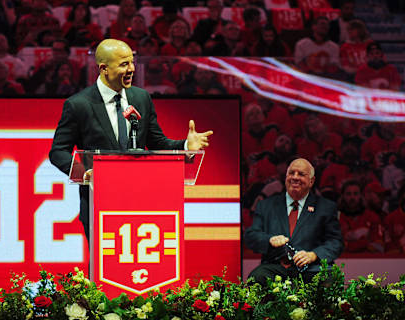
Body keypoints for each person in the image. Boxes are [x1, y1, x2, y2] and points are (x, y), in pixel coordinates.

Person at [49, 39, 213, 240]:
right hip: (99, 201)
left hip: (140, 200)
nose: (132, 69)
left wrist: (187, 146)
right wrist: (84, 174)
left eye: (132, 62)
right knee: (105, 268)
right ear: (104, 69)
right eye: (124, 64)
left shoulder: (141, 98)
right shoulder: (78, 105)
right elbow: (58, 151)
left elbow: (157, 143)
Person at [244, 158, 343, 285]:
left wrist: (313, 255)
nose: (295, 177)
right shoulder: (266, 205)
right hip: (276, 268)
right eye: (291, 173)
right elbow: (251, 236)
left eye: (301, 174)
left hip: (313, 268)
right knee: (257, 277)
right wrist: (269, 240)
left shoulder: (326, 207)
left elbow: (336, 242)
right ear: (285, 178)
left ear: (311, 181)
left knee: (331, 278)